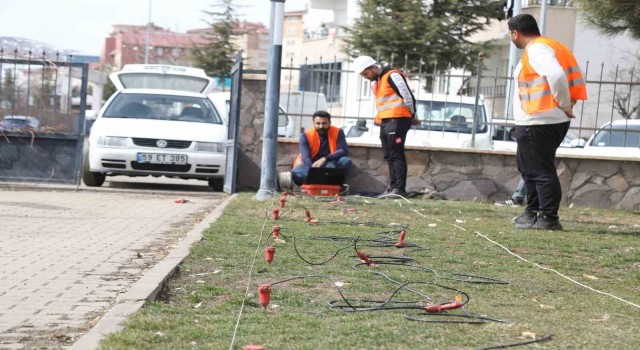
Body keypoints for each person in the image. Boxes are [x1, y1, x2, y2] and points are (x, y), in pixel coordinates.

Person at [507, 14, 587, 230]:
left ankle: (548, 217)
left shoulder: (536, 49)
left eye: (510, 34)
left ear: (515, 33)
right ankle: (532, 212)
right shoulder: (551, 46)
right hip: (539, 119)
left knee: (540, 171)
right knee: (530, 168)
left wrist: (563, 104)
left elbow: (556, 75)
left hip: (540, 120)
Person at [353, 55, 418, 196]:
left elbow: (407, 95)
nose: (365, 77)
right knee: (389, 155)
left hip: (397, 120)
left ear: (374, 68)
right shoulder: (378, 83)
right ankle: (393, 187)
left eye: (366, 73)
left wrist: (412, 115)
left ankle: (399, 190)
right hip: (387, 121)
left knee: (396, 154)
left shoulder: (392, 75)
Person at [291, 110, 352, 185]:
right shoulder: (305, 136)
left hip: (330, 163)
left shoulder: (338, 132)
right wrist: (314, 170)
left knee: (346, 161)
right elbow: (305, 157)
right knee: (297, 173)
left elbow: (343, 150)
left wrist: (325, 159)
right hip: (311, 165)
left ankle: (329, 183)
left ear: (329, 123)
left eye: (324, 123)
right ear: (313, 123)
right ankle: (323, 182)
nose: (321, 126)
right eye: (318, 123)